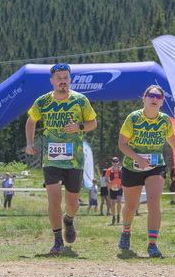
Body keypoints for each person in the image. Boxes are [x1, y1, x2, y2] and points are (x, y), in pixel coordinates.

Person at [25, 63, 97, 254]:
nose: (62, 81)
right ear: (52, 81)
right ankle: (57, 240)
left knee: (72, 204)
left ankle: (69, 220)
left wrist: (79, 127)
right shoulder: (42, 102)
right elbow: (31, 121)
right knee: (54, 199)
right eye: (59, 78)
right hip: (52, 159)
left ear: (70, 80)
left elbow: (93, 123)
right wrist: (29, 144)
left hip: (75, 159)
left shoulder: (80, 100)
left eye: (65, 78)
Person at [117, 85, 175, 258]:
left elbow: (171, 138)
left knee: (154, 202)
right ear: (144, 98)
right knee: (131, 207)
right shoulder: (133, 118)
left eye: (158, 97)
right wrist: (138, 158)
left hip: (156, 166)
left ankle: (152, 244)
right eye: (151, 95)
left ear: (162, 102)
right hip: (132, 166)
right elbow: (122, 144)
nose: (154, 99)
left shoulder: (165, 120)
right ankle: (126, 231)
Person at [105, 157, 123, 225]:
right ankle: (113, 216)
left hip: (119, 187)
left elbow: (125, 178)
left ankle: (118, 215)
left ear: (118, 162)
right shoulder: (109, 170)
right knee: (112, 203)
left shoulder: (121, 169)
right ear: (112, 163)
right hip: (112, 188)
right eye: (114, 162)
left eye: (116, 162)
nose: (115, 163)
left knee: (119, 201)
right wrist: (110, 183)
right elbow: (106, 180)